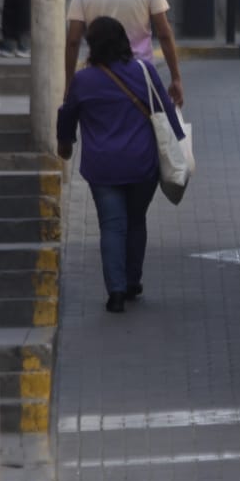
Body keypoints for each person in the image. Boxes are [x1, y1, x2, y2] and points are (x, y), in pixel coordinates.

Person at [57, 16, 184, 313]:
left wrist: (65, 143)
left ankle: (115, 292)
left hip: (102, 168)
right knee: (136, 220)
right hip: (142, 165)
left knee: (112, 226)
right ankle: (132, 282)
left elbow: (67, 114)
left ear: (93, 46)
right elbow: (166, 110)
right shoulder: (145, 70)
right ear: (123, 41)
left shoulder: (83, 80)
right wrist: (179, 145)